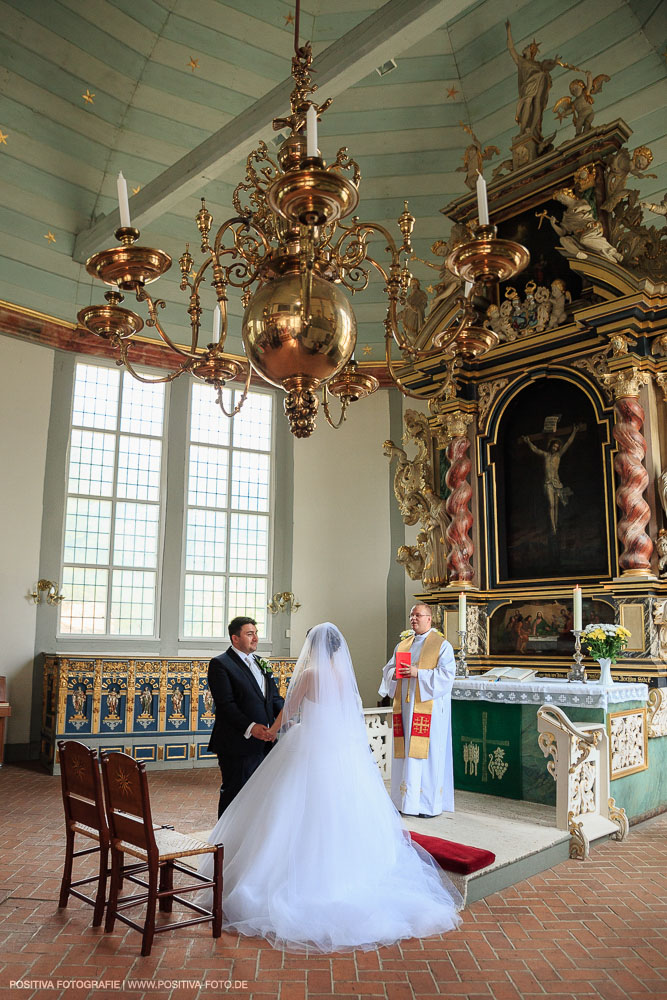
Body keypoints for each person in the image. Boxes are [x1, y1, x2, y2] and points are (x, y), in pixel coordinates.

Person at [199, 623, 461, 952]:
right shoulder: (343, 677)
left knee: (288, 808)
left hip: (308, 746)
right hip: (340, 752)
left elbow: (289, 711)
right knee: (339, 810)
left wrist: (271, 730)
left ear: (314, 646)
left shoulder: (309, 675)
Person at [379, 604, 455, 818]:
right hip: (404, 708)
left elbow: (447, 677)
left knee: (427, 755)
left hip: (428, 712)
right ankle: (404, 801)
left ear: (429, 619)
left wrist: (417, 673)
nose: (413, 618)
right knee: (405, 754)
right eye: (412, 615)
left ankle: (426, 805)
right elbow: (388, 670)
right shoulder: (403, 645)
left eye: (418, 615)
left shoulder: (442, 646)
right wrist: (394, 674)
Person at [207, 616, 284, 817]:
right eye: (250, 634)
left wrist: (285, 718)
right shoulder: (220, 664)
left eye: (256, 633)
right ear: (235, 638)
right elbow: (226, 705)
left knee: (261, 793)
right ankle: (225, 841)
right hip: (237, 743)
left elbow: (274, 698)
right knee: (235, 792)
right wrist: (251, 727)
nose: (255, 638)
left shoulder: (261, 663)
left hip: (266, 742)